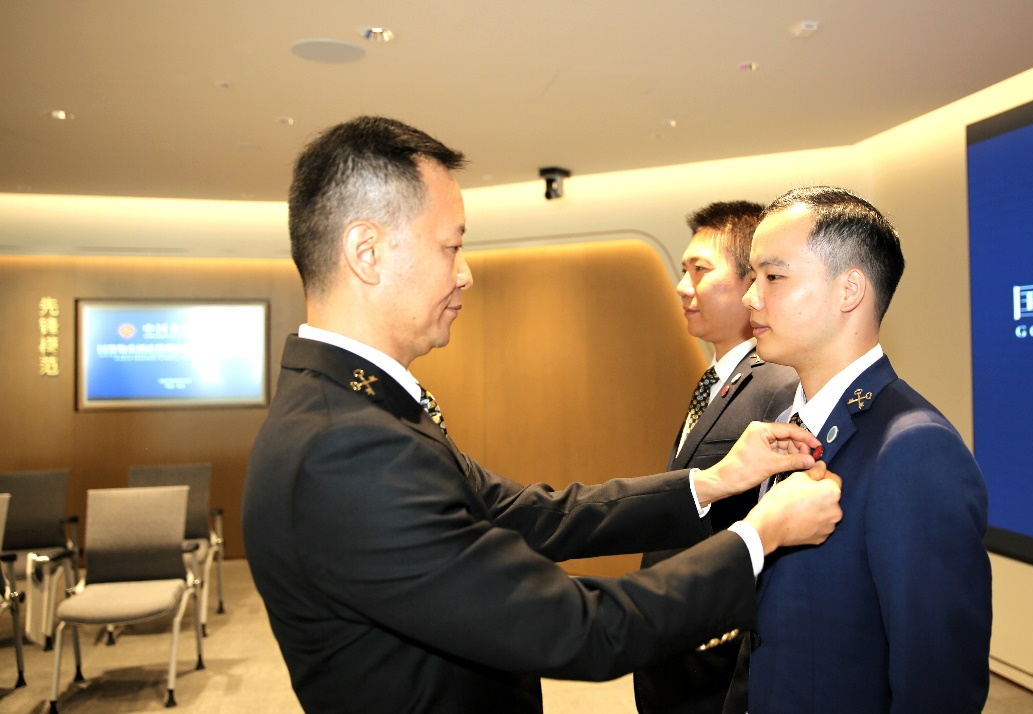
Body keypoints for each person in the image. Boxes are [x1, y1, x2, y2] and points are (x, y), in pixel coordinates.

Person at [241, 116, 844, 714]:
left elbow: (530, 514)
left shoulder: (359, 412)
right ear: (367, 253)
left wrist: (712, 481)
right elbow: (580, 630)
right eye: (451, 246)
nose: (464, 274)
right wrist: (759, 535)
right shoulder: (346, 447)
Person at [732, 186, 992, 713]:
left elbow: (938, 681)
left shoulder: (914, 448)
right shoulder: (783, 420)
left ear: (849, 290)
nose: (750, 298)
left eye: (773, 277)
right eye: (752, 276)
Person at [634, 201, 798, 714]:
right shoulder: (719, 380)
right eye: (683, 270)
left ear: (752, 282)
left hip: (718, 653)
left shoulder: (779, 384)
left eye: (700, 270)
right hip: (678, 635)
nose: (682, 287)